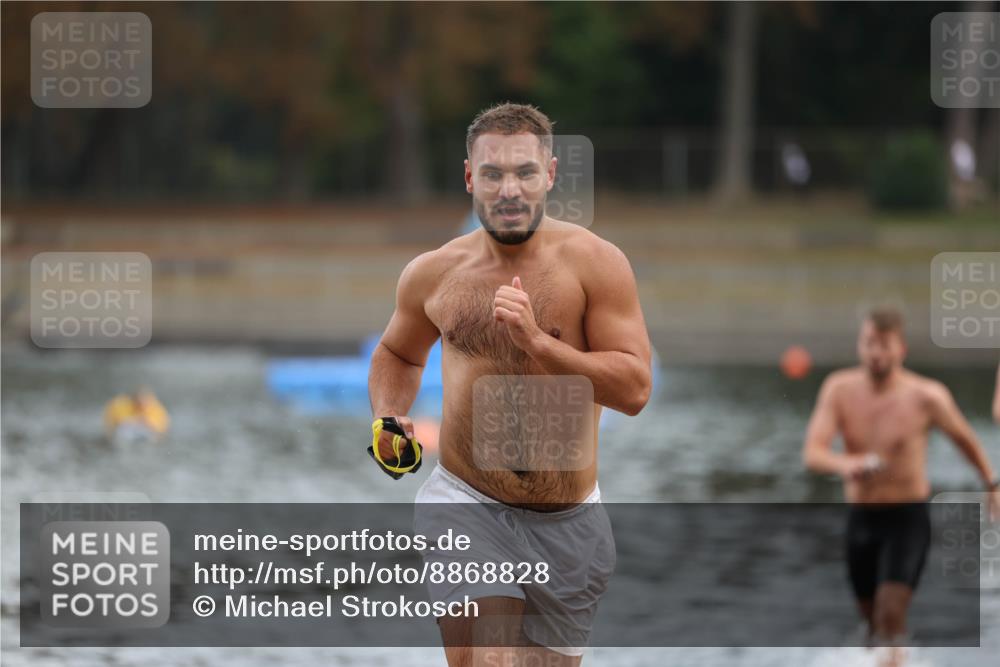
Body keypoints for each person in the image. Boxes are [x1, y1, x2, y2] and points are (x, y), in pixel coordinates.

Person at [367, 102, 652, 666]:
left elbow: (635, 389)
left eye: (524, 172)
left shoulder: (597, 265)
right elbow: (398, 353)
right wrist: (389, 417)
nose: (509, 189)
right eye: (493, 173)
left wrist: (540, 344)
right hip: (467, 503)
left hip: (570, 522)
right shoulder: (434, 272)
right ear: (471, 176)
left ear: (549, 175)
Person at [802, 307, 1000, 651]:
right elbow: (813, 453)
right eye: (869, 343)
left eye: (884, 345)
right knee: (871, 622)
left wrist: (992, 484)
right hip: (861, 518)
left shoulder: (927, 396)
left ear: (901, 349)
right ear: (859, 346)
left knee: (891, 613)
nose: (875, 353)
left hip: (906, 518)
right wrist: (845, 463)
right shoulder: (839, 389)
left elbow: (967, 442)